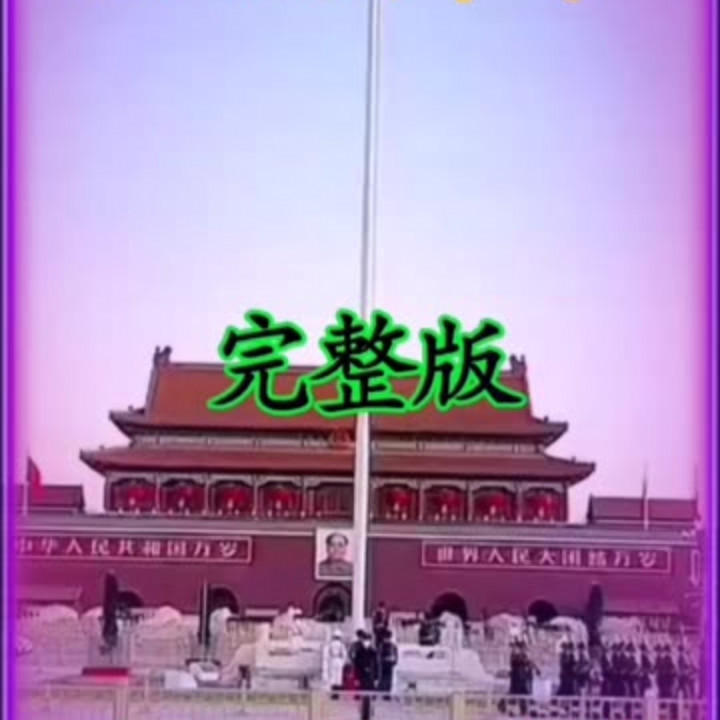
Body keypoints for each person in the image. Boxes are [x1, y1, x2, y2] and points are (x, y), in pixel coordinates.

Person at [351, 630, 378, 720]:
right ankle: (362, 715)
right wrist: (356, 678)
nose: (366, 642)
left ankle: (371, 715)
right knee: (361, 698)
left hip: (371, 678)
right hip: (361, 677)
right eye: (365, 640)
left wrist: (376, 678)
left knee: (371, 698)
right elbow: (356, 666)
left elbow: (377, 666)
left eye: (368, 640)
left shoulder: (373, 652)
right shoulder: (359, 652)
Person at [323, 629, 348, 695]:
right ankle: (337, 692)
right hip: (339, 660)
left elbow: (327, 654)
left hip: (333, 660)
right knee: (338, 676)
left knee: (333, 676)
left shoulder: (330, 644)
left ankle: (333, 692)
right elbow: (345, 654)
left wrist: (328, 661)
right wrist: (342, 662)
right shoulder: (341, 644)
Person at [377, 628, 398, 698]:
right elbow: (379, 655)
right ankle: (382, 692)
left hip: (390, 664)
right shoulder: (381, 645)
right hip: (383, 664)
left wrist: (394, 661)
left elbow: (395, 655)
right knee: (383, 678)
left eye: (388, 638)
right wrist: (380, 662)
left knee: (389, 679)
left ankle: (387, 693)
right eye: (386, 638)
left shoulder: (393, 645)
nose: (387, 639)